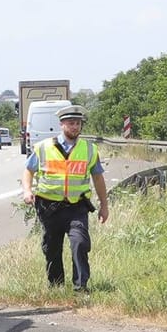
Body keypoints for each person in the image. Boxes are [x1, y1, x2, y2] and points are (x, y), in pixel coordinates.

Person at [21, 104, 109, 293]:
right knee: (52, 247)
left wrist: (104, 205)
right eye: (71, 123)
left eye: (78, 123)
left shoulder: (89, 149)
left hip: (77, 207)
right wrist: (27, 190)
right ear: (61, 124)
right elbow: (28, 170)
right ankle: (56, 285)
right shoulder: (44, 147)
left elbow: (98, 178)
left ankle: (81, 287)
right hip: (49, 207)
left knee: (80, 243)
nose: (75, 127)